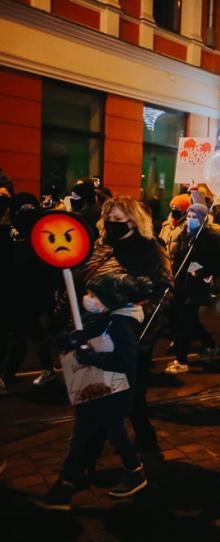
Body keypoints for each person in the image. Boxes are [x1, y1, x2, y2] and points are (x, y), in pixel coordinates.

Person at [35, 273, 153, 510]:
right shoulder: (101, 317)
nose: (87, 298)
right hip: (94, 389)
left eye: (93, 295)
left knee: (109, 433)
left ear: (108, 299)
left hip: (114, 392)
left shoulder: (121, 324)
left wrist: (92, 357)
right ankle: (67, 484)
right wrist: (69, 340)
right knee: (87, 434)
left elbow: (125, 362)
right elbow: (78, 337)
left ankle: (130, 472)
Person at [78, 195, 172, 453]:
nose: (111, 224)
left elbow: (164, 294)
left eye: (118, 219)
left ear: (134, 221)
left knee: (131, 400)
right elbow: (84, 278)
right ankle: (89, 454)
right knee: (96, 395)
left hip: (132, 338)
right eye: (108, 219)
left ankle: (141, 447)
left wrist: (135, 316)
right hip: (96, 332)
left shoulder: (151, 250)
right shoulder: (102, 246)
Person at [0, 193, 60, 393]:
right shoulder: (10, 234)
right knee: (24, 333)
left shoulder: (42, 233)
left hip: (33, 293)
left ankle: (44, 369)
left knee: (30, 332)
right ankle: (10, 373)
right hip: (18, 292)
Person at [163, 203, 219, 375]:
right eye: (188, 216)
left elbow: (214, 262)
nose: (190, 220)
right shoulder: (185, 235)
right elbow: (179, 256)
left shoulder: (208, 237)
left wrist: (196, 270)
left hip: (195, 286)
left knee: (185, 322)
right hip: (180, 284)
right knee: (190, 321)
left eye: (194, 217)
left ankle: (181, 360)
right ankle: (210, 345)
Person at [159, 193, 192, 260]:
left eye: (176, 208)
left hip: (176, 265)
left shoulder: (186, 227)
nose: (173, 210)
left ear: (184, 210)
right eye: (172, 207)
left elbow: (184, 250)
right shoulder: (166, 226)